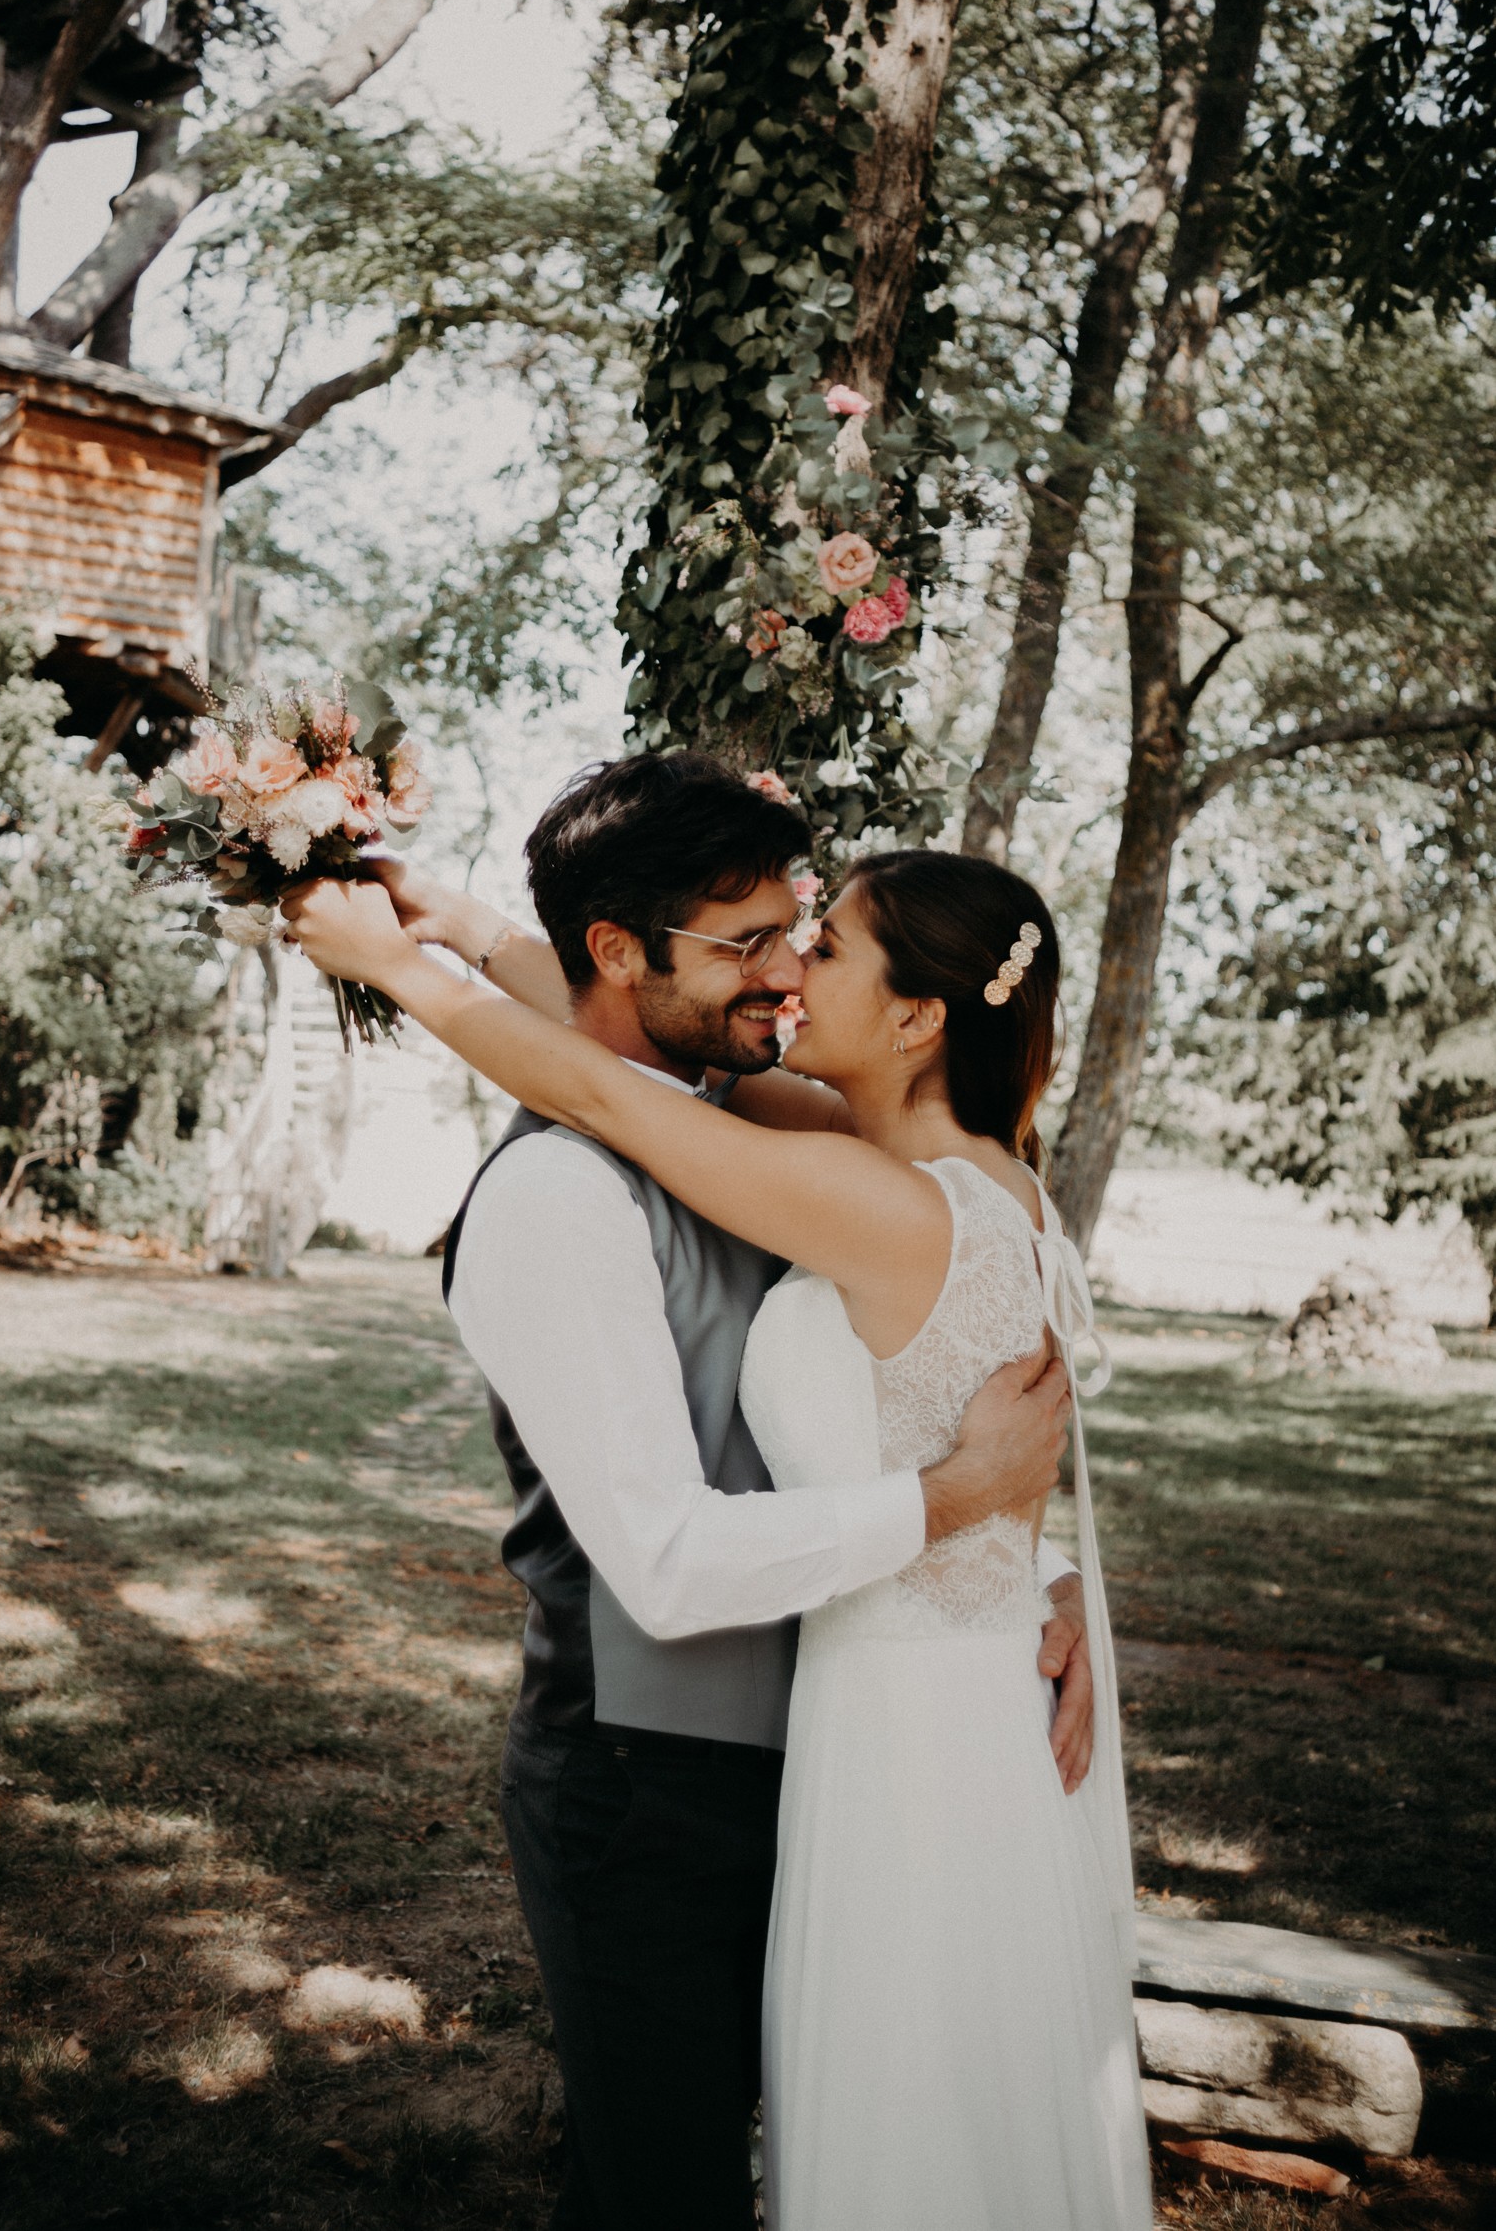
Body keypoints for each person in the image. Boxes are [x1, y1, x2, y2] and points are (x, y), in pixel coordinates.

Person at [284, 754, 1120, 2229]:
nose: (792, 969)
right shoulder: (887, 1162)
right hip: (663, 1772)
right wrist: (450, 933)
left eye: (818, 940)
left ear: (918, 1017)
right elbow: (613, 1071)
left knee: (888, 2128)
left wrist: (407, 960)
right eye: (762, 942)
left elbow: (613, 1071)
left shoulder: (853, 1170)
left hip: (879, 1740)